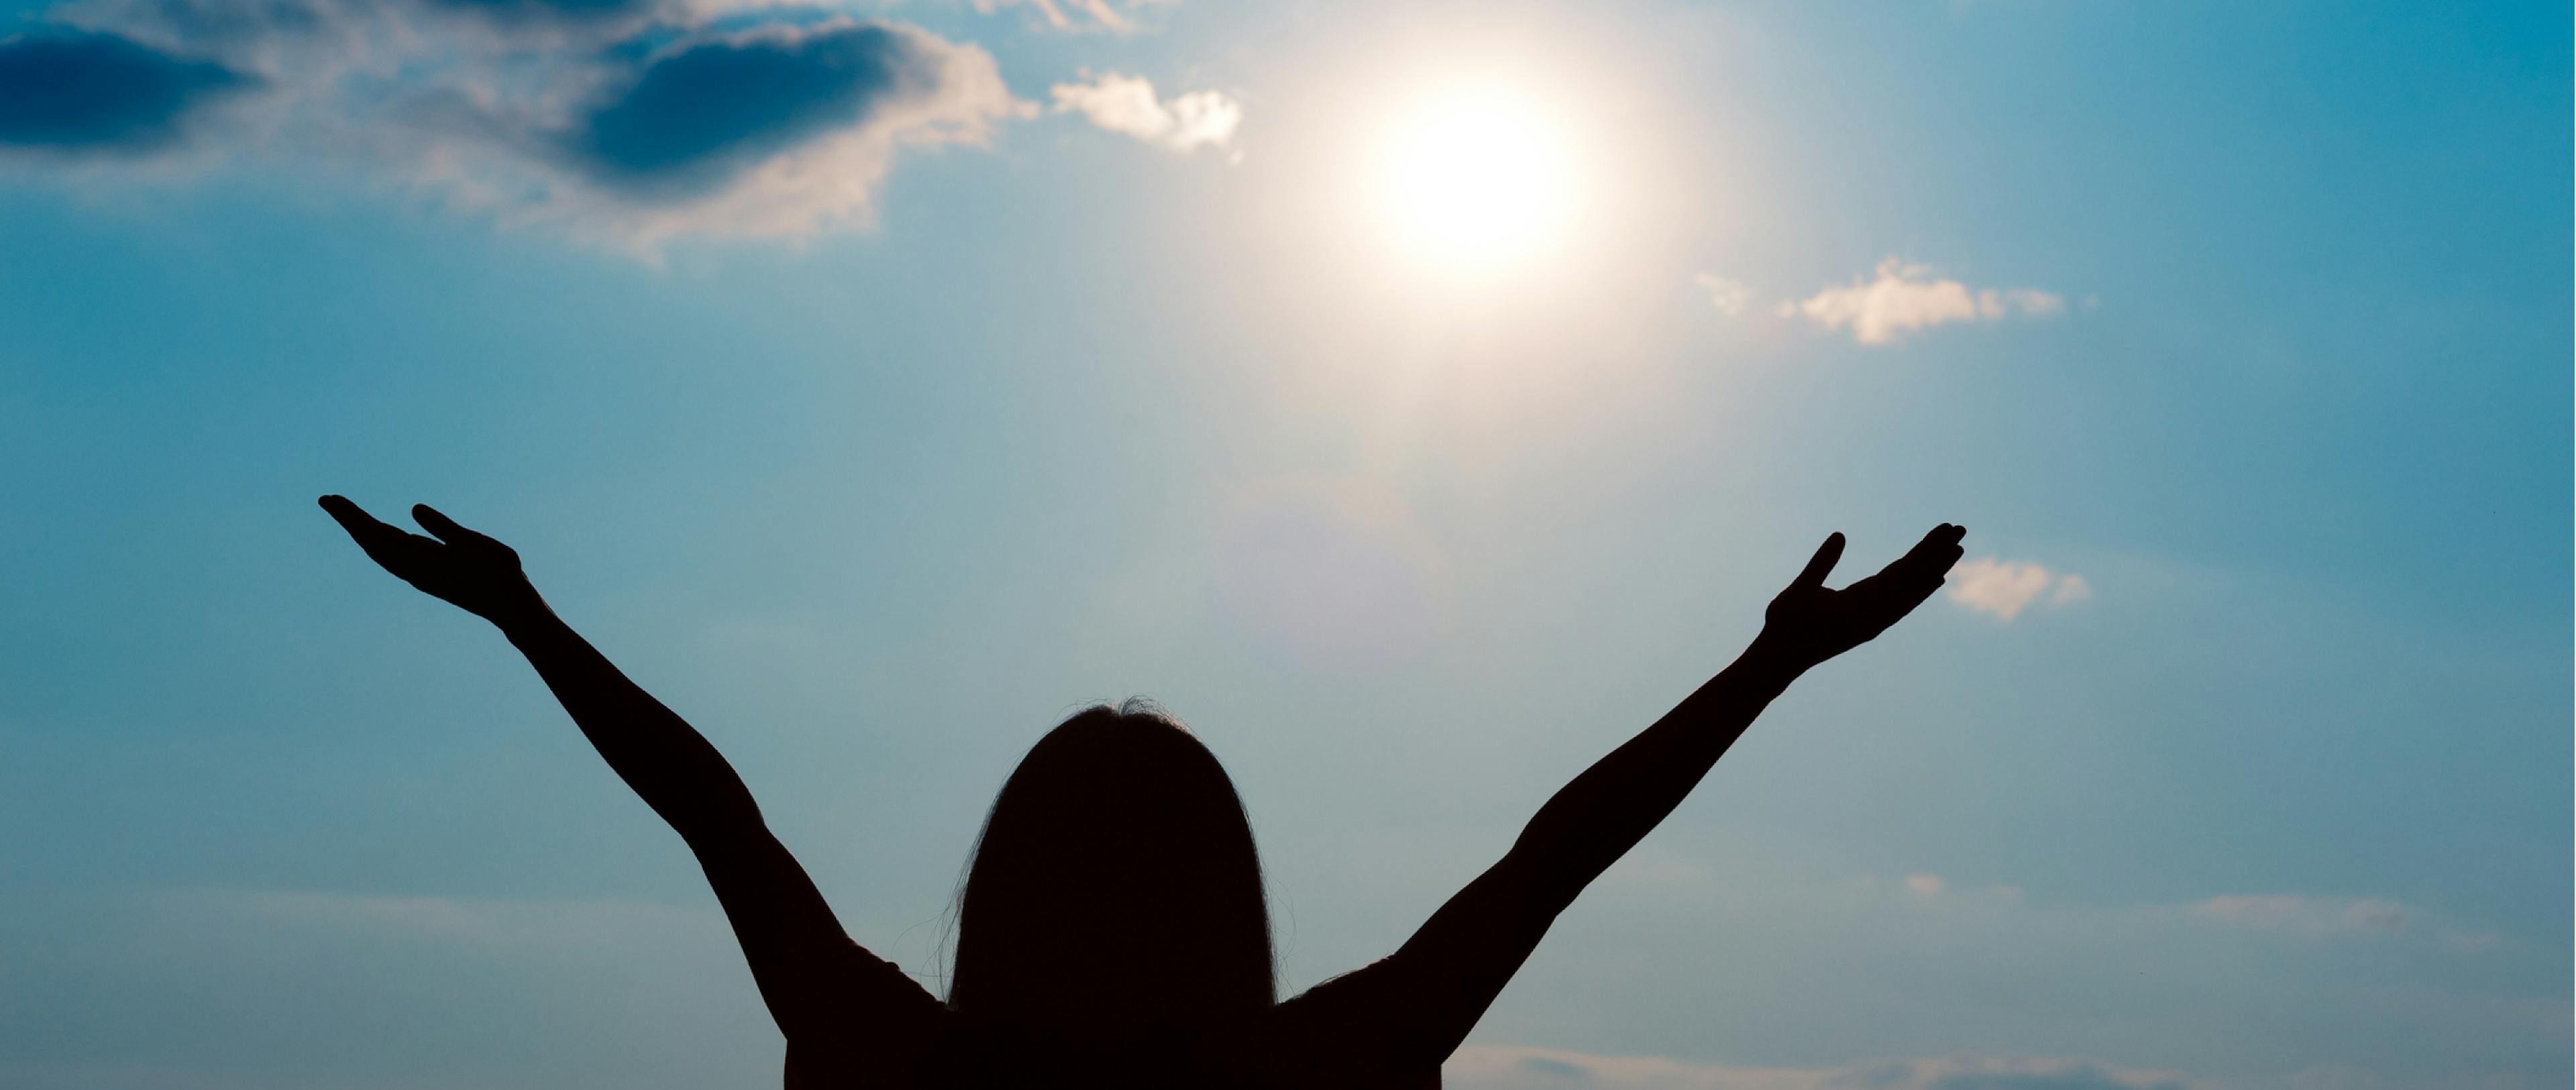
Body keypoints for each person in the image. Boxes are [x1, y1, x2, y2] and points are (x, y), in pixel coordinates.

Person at [319, 494, 1966, 1089]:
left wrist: (526, 617)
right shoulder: (1331, 1066)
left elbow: (715, 818)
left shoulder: (904, 1063)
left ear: (1009, 892)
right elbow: (1556, 858)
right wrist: (1770, 669)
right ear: (1221, 898)